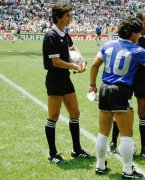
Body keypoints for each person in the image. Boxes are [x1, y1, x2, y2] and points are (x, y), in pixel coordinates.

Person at [89, 16, 145, 178]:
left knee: (103, 132)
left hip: (104, 89)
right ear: (132, 34)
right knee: (127, 133)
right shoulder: (136, 50)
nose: (139, 36)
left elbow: (94, 65)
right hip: (121, 91)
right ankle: (128, 170)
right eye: (138, 33)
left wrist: (92, 85)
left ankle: (100, 166)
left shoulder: (108, 45)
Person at [42, 2, 93, 164]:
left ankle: (76, 150)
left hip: (65, 78)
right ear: (58, 18)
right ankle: (52, 153)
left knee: (75, 113)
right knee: (53, 116)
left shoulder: (64, 34)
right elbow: (56, 62)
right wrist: (73, 65)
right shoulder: (51, 35)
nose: (70, 18)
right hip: (55, 79)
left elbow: (73, 49)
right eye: (68, 16)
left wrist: (82, 60)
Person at [109, 10, 145, 158]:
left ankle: (144, 148)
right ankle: (113, 143)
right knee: (120, 111)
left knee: (143, 114)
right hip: (127, 81)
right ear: (139, 23)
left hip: (144, 81)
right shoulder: (131, 37)